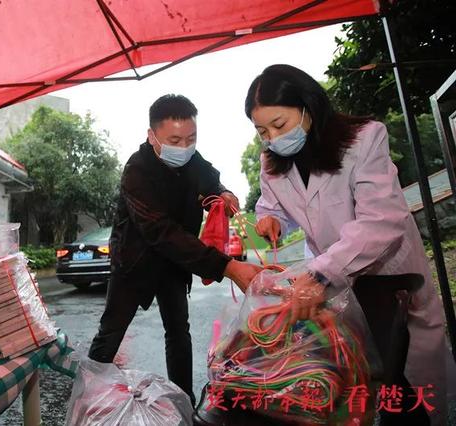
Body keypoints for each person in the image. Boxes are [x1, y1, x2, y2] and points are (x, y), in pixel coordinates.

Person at [246, 64, 451, 425]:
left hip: (390, 275)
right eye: (262, 131)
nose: (273, 138)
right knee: (361, 378)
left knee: (407, 383)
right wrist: (271, 220)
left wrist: (320, 274)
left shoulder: (364, 139)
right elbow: (273, 205)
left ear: (308, 106)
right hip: (336, 284)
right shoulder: (271, 162)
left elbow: (380, 220)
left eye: (279, 125)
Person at [88, 94, 262, 405]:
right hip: (134, 263)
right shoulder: (136, 171)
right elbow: (161, 232)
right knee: (110, 333)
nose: (183, 147)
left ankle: (184, 402)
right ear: (151, 136)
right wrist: (228, 267)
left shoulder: (192, 160)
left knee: (179, 333)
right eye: (174, 140)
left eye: (191, 139)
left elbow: (210, 179)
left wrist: (223, 192)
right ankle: (86, 400)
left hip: (174, 265)